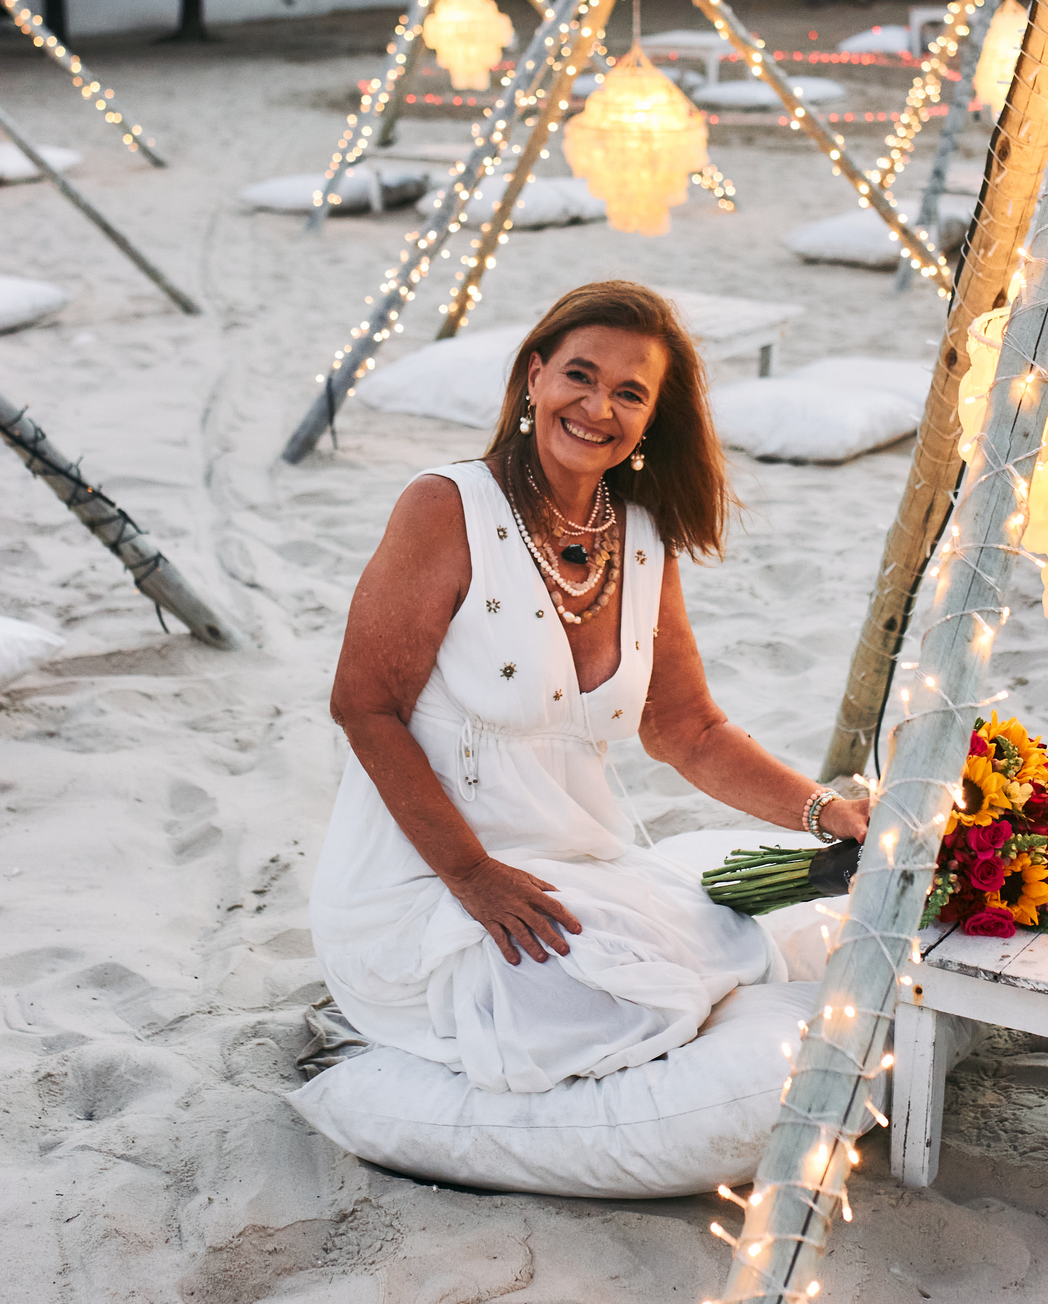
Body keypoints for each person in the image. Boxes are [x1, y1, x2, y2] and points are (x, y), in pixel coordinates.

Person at [310, 282, 868, 1096]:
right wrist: (473, 877)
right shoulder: (446, 507)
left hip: (572, 861)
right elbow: (363, 707)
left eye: (629, 393)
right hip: (425, 877)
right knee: (591, 1000)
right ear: (534, 377)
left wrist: (826, 811)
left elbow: (689, 730)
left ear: (650, 421)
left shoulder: (641, 538)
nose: (598, 406)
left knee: (720, 945)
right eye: (580, 375)